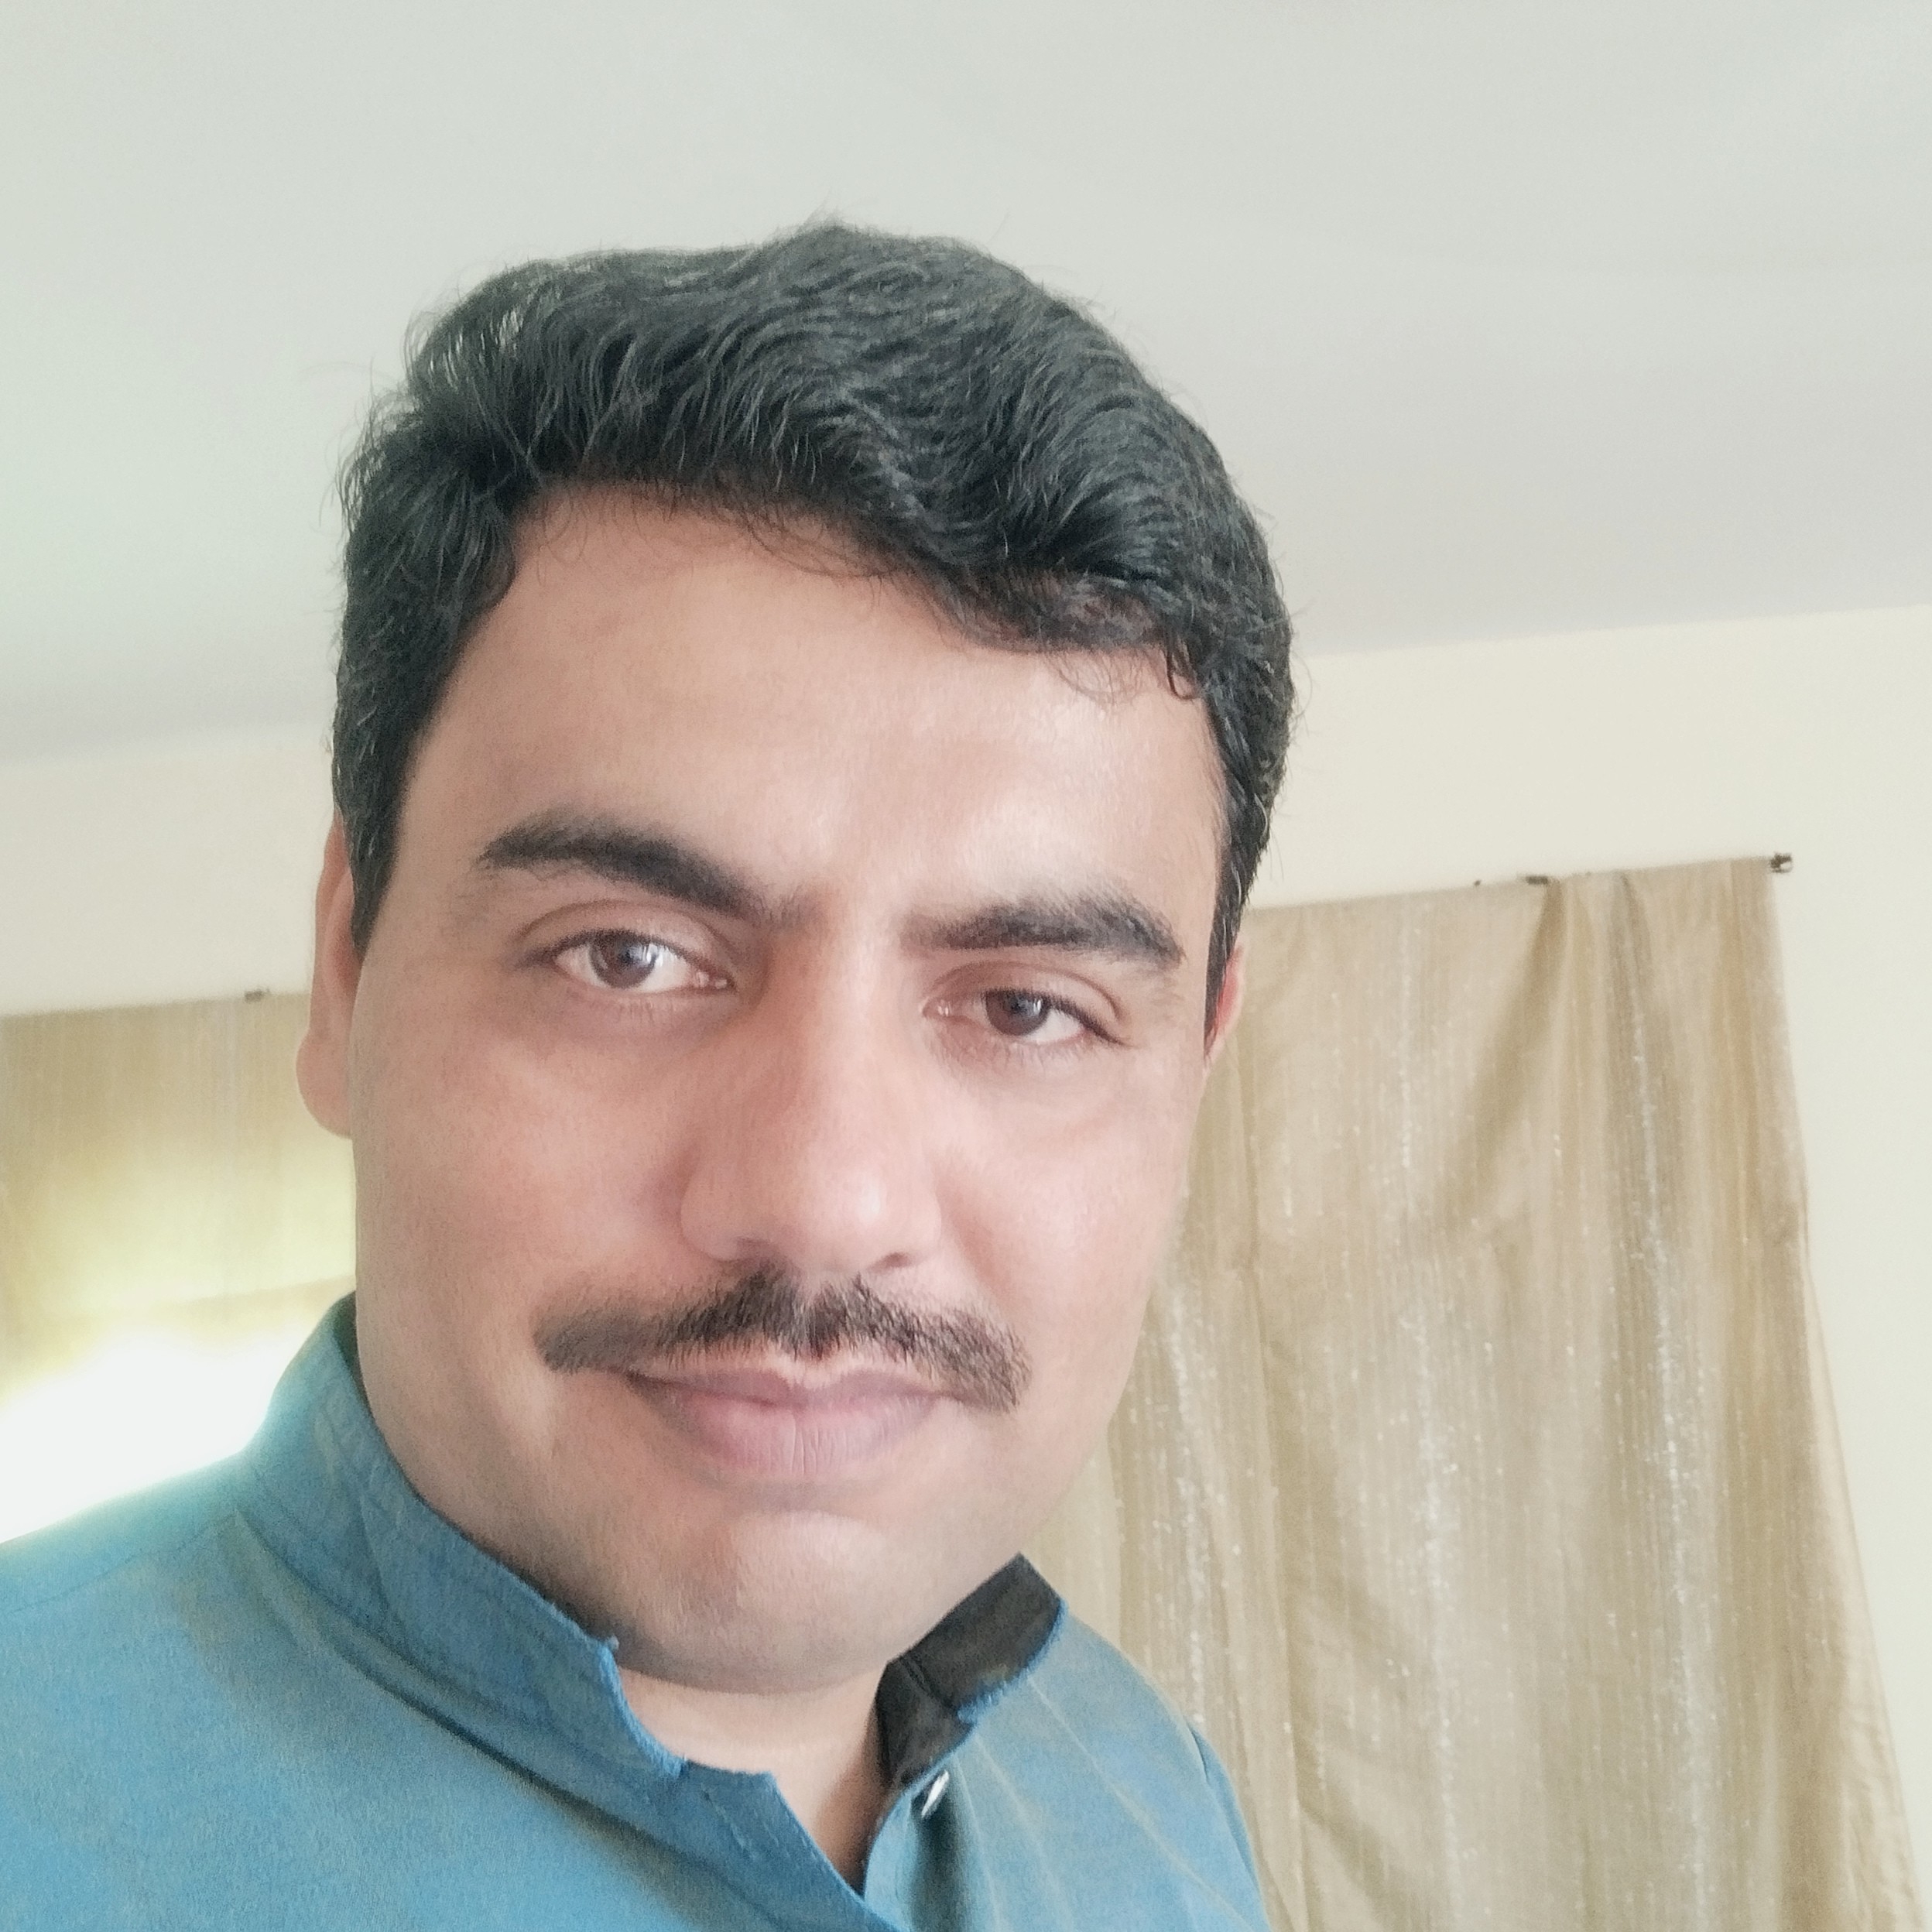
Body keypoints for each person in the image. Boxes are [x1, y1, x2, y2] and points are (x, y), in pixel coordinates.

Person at [0, 225, 1293, 1927]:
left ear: (1193, 1069)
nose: (823, 1202)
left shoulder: (1145, 1794)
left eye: (1028, 1008)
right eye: (627, 957)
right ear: (348, 966)